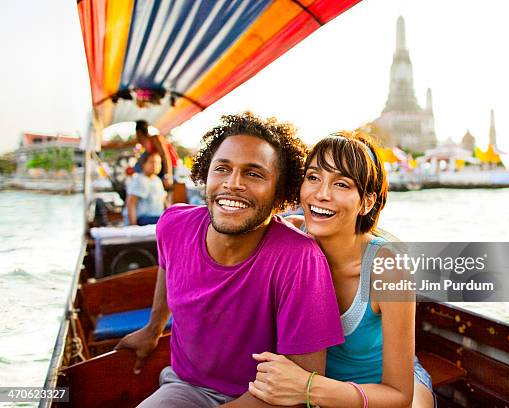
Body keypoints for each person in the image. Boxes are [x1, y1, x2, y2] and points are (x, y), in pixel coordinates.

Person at [115, 112, 344, 408]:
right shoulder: (173, 224)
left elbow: (304, 384)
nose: (233, 184)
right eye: (222, 169)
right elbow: (167, 265)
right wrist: (153, 328)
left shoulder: (299, 259)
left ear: (279, 194)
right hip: (187, 388)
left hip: (269, 399)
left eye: (254, 173)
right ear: (206, 175)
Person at [248, 132, 436, 407]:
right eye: (313, 178)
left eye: (341, 184)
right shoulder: (288, 238)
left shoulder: (389, 268)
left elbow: (398, 395)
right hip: (319, 390)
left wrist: (307, 387)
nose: (321, 194)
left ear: (367, 202)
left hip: (382, 393)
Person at [123, 152, 168, 226]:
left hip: (157, 217)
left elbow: (164, 201)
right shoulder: (140, 180)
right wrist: (133, 226)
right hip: (143, 219)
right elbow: (131, 203)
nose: (155, 166)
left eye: (158, 163)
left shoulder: (157, 180)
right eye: (152, 162)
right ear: (143, 164)